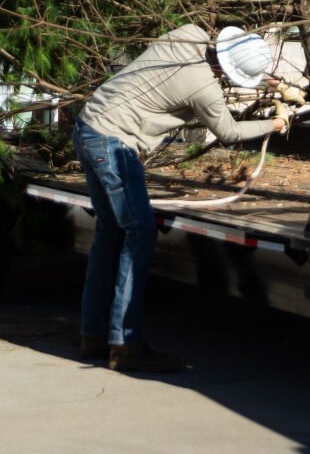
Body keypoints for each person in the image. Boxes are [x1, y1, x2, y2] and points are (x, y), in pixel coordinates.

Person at [73, 23, 286, 373]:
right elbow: (230, 132)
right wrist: (275, 124)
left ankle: (93, 335)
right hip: (113, 142)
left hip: (88, 126)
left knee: (110, 233)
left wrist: (268, 84)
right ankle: (125, 344)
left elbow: (206, 71)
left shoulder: (188, 33)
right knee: (139, 232)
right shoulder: (203, 87)